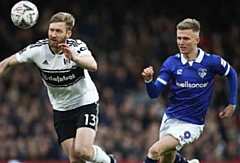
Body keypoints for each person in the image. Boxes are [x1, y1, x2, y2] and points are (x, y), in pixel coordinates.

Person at [0, 12, 117, 163]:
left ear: (68, 34)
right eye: (51, 30)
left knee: (83, 150)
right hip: (61, 110)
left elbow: (93, 65)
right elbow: (6, 63)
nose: (53, 34)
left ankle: (110, 161)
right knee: (75, 158)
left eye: (58, 31)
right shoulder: (38, 50)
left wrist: (74, 58)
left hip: (85, 103)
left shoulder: (76, 47)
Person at [141, 18, 238, 163]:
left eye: (186, 38)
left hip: (191, 124)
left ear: (197, 40)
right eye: (179, 38)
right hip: (170, 119)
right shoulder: (171, 63)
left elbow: (231, 74)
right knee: (167, 160)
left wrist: (232, 103)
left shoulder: (211, 62)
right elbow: (154, 93)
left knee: (154, 151)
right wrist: (149, 81)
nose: (181, 42)